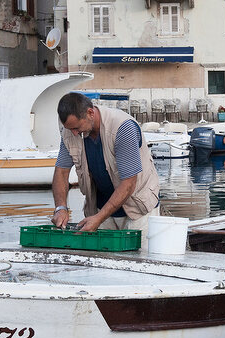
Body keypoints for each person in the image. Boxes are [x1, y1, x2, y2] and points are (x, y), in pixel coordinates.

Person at [51, 92, 160, 243]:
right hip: (101, 207)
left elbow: (129, 183)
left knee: (140, 257)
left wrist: (98, 218)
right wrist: (60, 208)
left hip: (139, 208)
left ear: (90, 113)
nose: (74, 133)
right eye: (70, 129)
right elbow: (61, 172)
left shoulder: (123, 128)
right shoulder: (70, 132)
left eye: (76, 127)